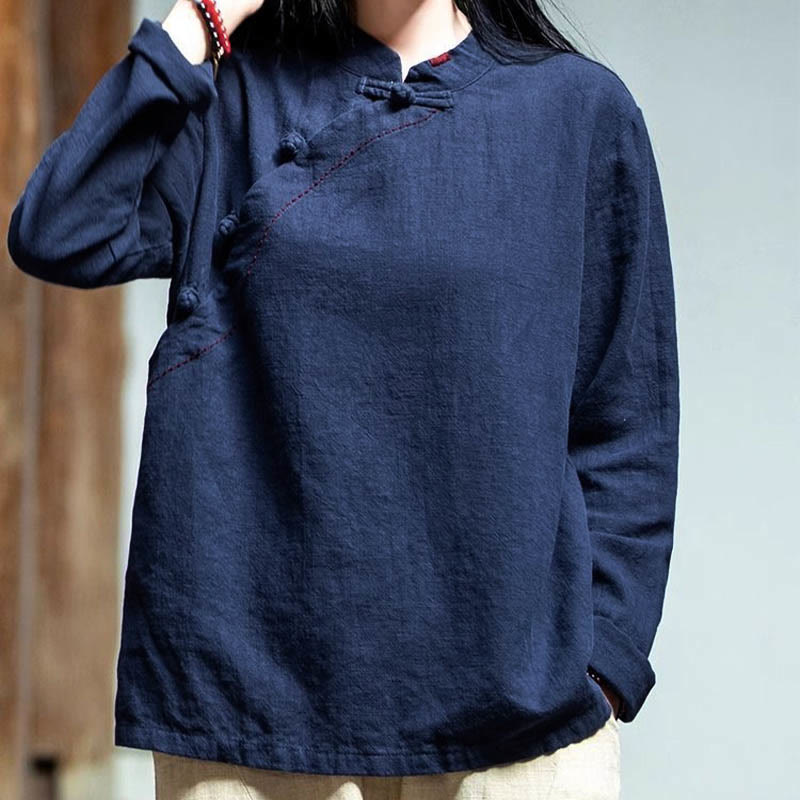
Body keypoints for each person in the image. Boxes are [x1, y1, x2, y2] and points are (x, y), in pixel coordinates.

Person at [6, 0, 680, 797]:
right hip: (250, 712)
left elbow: (627, 417)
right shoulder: (237, 99)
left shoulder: (577, 111)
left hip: (518, 722)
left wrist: (603, 663)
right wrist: (201, 17)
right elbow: (63, 228)